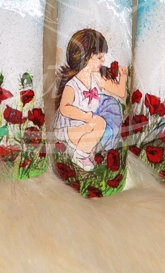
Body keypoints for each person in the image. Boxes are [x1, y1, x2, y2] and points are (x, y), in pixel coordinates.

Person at [54, 29, 127, 171]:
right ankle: (80, 156)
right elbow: (65, 108)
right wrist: (84, 116)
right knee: (98, 122)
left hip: (89, 126)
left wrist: (123, 77)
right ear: (86, 57)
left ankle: (84, 153)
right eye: (99, 57)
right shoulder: (72, 85)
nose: (103, 60)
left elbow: (120, 92)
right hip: (71, 128)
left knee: (99, 123)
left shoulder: (96, 77)